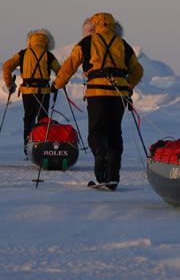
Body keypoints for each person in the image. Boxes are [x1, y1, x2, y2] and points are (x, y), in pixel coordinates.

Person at [52, 13, 143, 190]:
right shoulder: (122, 44)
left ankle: (101, 160)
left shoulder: (86, 42)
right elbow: (138, 71)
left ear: (95, 25)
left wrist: (57, 84)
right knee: (114, 133)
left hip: (97, 94)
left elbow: (70, 65)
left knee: (96, 132)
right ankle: (113, 177)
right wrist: (128, 85)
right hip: (119, 95)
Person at [3, 29, 60, 155]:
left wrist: (10, 84)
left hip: (27, 92)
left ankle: (28, 145)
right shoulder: (48, 55)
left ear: (30, 40)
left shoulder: (23, 54)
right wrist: (57, 85)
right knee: (43, 119)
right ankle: (42, 144)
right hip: (44, 92)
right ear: (46, 42)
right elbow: (60, 71)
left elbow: (7, 66)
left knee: (29, 117)